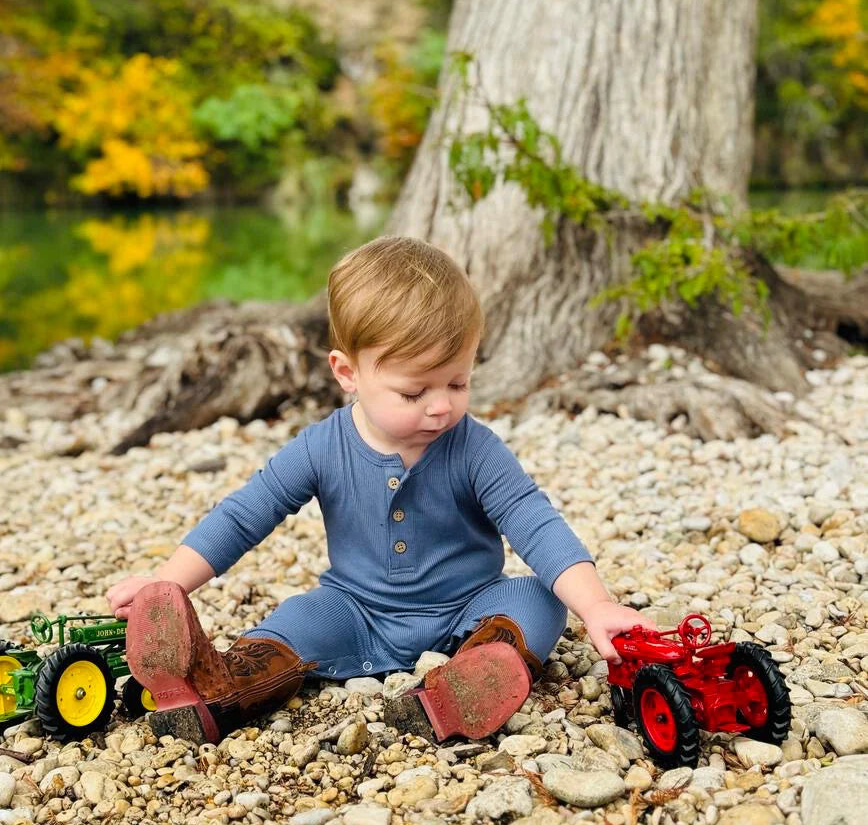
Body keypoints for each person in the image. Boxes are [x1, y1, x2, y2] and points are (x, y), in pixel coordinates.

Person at [108, 236, 653, 745]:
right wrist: (167, 583)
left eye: (458, 383)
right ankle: (221, 690)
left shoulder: (475, 448)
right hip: (355, 611)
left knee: (537, 598)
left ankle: (466, 683)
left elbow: (533, 521)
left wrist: (596, 605)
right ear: (348, 373)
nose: (441, 406)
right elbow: (244, 515)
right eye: (414, 392)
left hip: (469, 608)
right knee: (297, 619)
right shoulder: (321, 447)